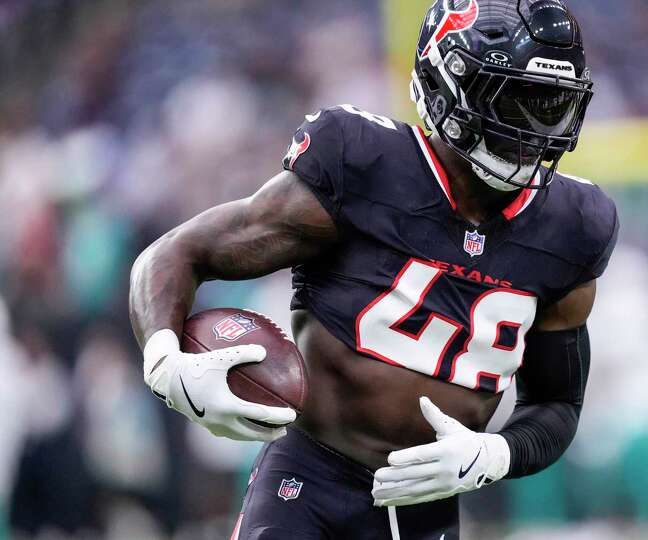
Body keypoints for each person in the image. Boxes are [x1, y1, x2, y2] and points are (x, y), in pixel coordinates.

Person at [128, 1, 617, 538]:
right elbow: (175, 253)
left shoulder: (573, 227)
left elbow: (556, 403)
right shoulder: (363, 164)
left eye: (551, 106)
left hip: (427, 504)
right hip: (307, 482)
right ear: (447, 84)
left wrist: (495, 453)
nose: (533, 129)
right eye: (512, 100)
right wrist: (164, 362)